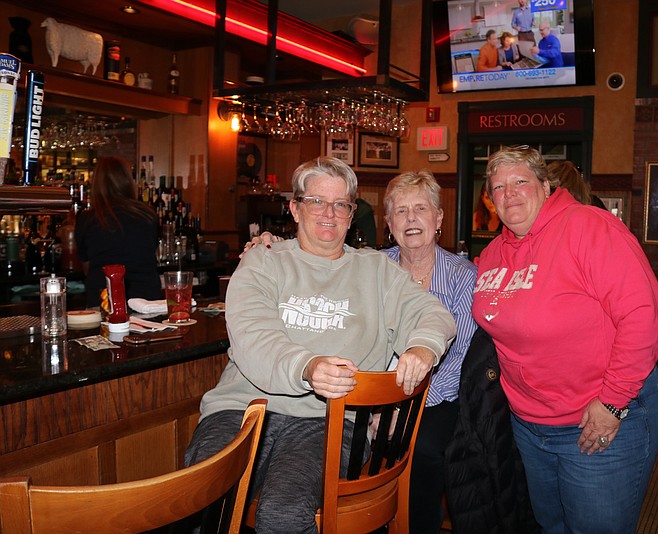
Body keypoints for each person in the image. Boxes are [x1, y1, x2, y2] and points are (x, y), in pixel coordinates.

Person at [185, 157, 456, 534]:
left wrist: (423, 347)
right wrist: (308, 367)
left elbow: (433, 314)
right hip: (243, 408)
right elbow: (253, 336)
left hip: (329, 420)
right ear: (295, 208)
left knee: (283, 514)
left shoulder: (376, 271)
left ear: (351, 214)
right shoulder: (262, 262)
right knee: (202, 503)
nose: (329, 213)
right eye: (316, 201)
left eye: (340, 204)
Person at [472, 145, 658, 534]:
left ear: (545, 186)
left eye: (520, 182)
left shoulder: (588, 227)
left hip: (599, 421)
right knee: (551, 526)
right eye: (497, 187)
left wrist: (612, 402)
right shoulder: (493, 253)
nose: (508, 193)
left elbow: (644, 316)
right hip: (530, 426)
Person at [382, 170, 477, 534]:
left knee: (419, 450)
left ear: (438, 219)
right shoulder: (375, 268)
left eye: (420, 208)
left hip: (438, 396)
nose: (410, 219)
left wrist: (405, 404)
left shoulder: (461, 276)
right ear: (389, 222)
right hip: (377, 392)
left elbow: (460, 358)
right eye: (400, 211)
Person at [75, 156, 161, 308]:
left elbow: (86, 266)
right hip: (146, 297)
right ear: (128, 181)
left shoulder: (88, 219)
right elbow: (148, 253)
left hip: (104, 298)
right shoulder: (147, 215)